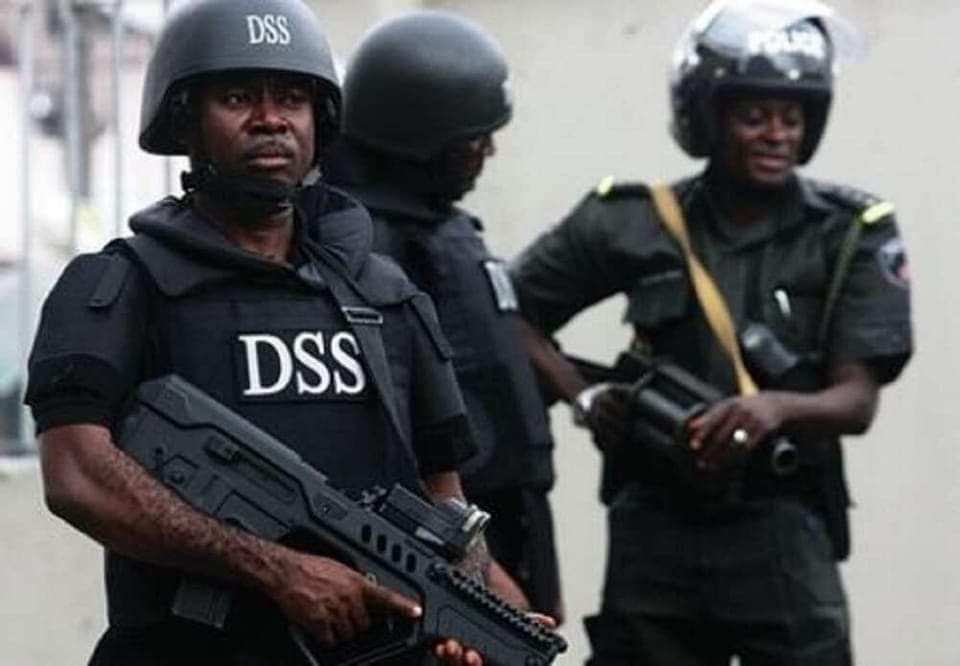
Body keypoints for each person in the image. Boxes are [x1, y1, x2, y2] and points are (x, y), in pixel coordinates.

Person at [25, 1, 518, 664]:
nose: (271, 119)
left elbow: (446, 496)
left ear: (320, 120)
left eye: (292, 99)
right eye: (237, 98)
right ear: (185, 119)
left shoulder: (386, 294)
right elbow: (77, 474)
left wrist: (473, 605)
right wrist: (273, 568)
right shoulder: (120, 284)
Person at [509, 1, 913, 664]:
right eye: (754, 116)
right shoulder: (632, 220)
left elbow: (857, 400)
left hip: (781, 526)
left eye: (793, 117)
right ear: (707, 117)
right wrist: (584, 395)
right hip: (654, 527)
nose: (777, 134)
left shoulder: (848, 233)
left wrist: (774, 409)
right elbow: (504, 312)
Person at [325, 11, 563, 622]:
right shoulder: (368, 247)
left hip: (505, 519)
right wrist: (477, 568)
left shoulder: (444, 226)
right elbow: (389, 439)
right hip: (449, 544)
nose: (488, 151)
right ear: (421, 138)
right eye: (473, 140)